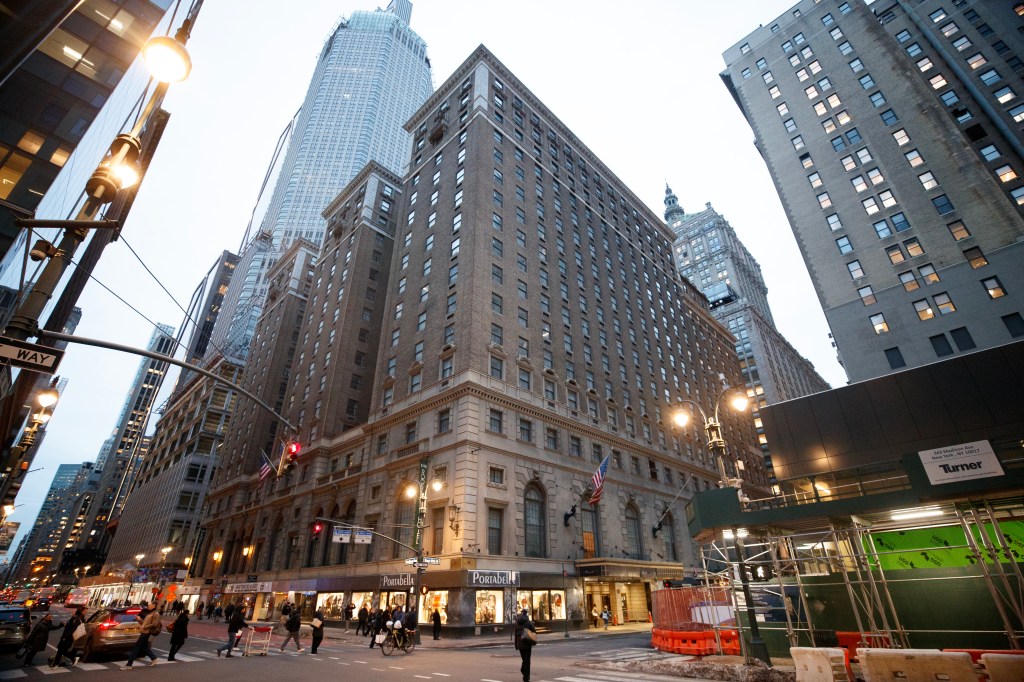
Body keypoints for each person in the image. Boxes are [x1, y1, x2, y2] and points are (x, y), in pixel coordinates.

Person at [121, 602, 162, 669]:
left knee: (136, 647)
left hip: (147, 632)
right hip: (144, 631)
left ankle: (129, 664)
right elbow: (144, 623)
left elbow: (155, 624)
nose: (148, 605)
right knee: (144, 646)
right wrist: (139, 620)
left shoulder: (156, 614)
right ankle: (154, 658)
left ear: (154, 606)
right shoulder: (149, 613)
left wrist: (145, 627)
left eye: (150, 604)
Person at [514, 607, 536, 682]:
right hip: (527, 643)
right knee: (527, 661)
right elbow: (534, 631)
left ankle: (524, 672)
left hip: (520, 644)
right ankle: (526, 678)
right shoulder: (528, 622)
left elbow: (516, 634)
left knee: (524, 659)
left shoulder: (517, 622)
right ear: (527, 614)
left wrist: (516, 645)